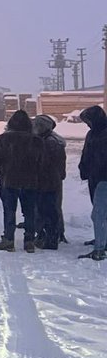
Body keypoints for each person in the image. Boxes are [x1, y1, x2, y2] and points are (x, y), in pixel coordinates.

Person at [0, 109, 41, 252]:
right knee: (29, 211)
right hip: (30, 181)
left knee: (9, 210)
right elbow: (42, 161)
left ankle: (8, 239)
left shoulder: (4, 139)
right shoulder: (36, 140)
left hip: (9, 179)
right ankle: (29, 240)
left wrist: (2, 170)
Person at [76, 105, 107, 261]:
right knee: (101, 212)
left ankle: (100, 249)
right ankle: (102, 239)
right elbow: (87, 153)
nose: (87, 124)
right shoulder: (92, 133)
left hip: (104, 179)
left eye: (88, 120)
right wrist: (83, 167)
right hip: (94, 177)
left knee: (98, 214)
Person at [32, 114, 66, 250]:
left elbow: (43, 163)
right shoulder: (54, 140)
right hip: (53, 180)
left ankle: (49, 238)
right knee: (53, 208)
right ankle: (55, 234)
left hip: (46, 181)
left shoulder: (48, 142)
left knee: (45, 209)